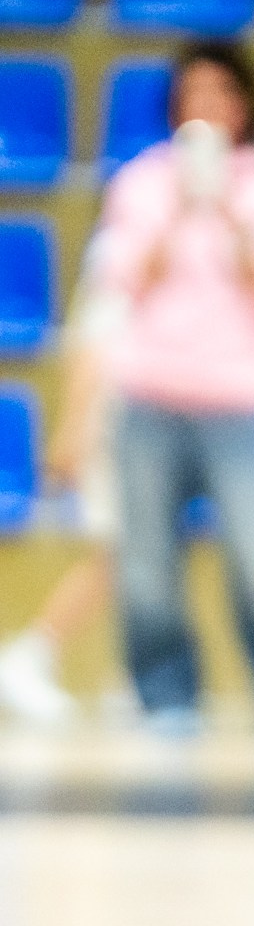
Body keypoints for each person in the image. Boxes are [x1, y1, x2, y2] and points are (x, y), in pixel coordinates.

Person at [90, 41, 254, 738]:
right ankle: (166, 698)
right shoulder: (141, 182)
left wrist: (224, 208)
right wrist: (178, 207)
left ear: (246, 103)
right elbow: (123, 280)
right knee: (146, 570)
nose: (208, 107)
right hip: (149, 394)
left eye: (222, 93)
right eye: (194, 93)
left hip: (239, 401)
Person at [0, 237, 124, 724]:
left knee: (139, 556)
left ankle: (131, 677)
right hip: (115, 424)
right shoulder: (121, 254)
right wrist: (74, 429)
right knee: (120, 551)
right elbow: (89, 351)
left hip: (159, 422)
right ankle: (32, 653)